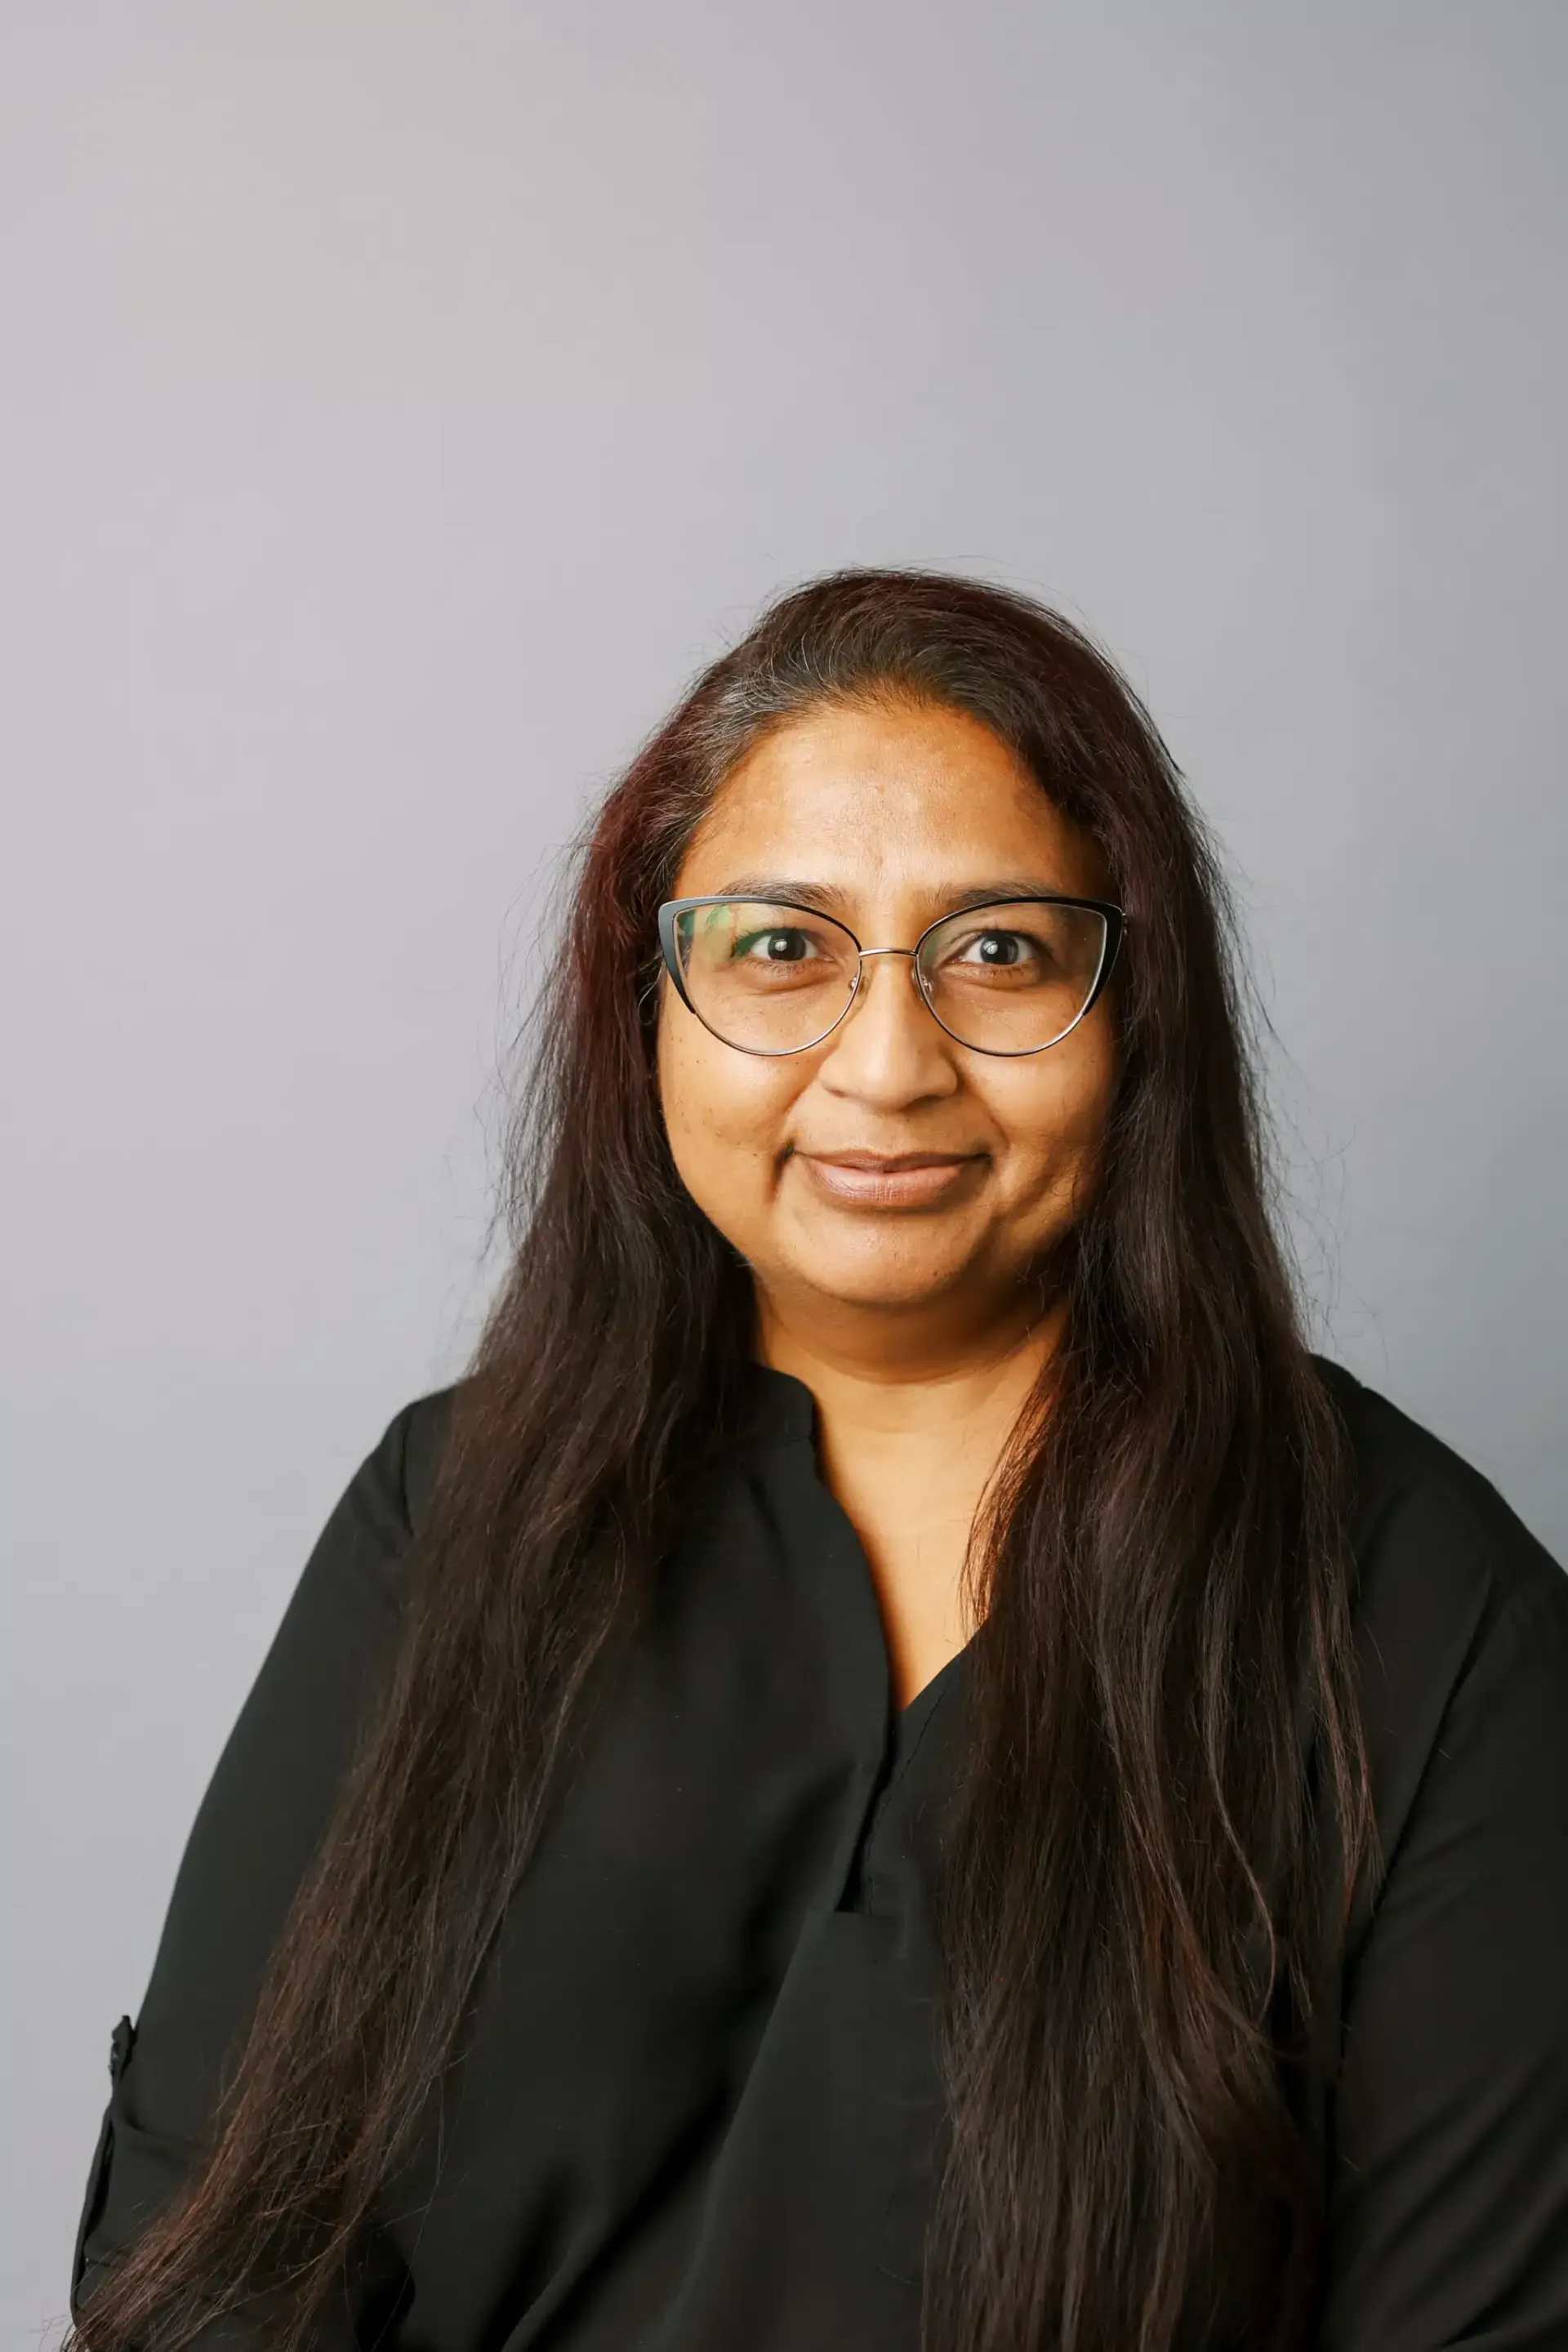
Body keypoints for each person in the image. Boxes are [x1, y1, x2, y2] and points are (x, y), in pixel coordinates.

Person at [67, 570, 1568, 2352]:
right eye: (781, 947)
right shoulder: (452, 1516)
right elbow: (211, 2275)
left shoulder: (1418, 1609)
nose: (885, 1062)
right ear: (649, 1005)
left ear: (1134, 1017)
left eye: (999, 950)